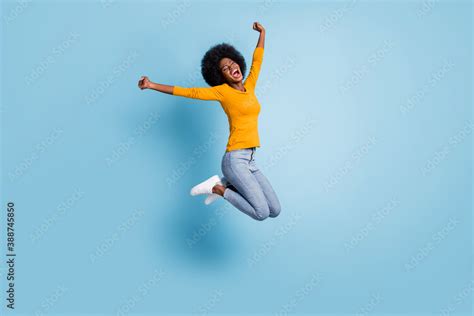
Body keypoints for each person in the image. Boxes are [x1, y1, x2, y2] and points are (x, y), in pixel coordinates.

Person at [138, 22, 281, 221]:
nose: (232, 67)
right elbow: (190, 92)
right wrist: (151, 84)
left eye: (233, 63)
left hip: (250, 160)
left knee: (275, 210)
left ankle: (226, 183)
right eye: (225, 68)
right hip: (235, 160)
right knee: (262, 213)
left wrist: (263, 33)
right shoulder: (222, 92)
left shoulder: (249, 86)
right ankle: (218, 188)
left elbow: (258, 61)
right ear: (220, 76)